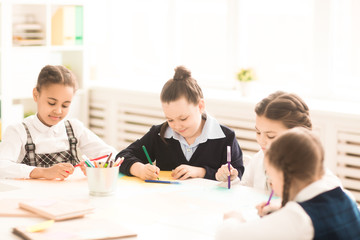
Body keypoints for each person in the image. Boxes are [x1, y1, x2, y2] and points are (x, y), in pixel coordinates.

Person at [215, 127, 360, 240]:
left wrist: (235, 218)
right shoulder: (346, 197)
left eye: (270, 175)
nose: (271, 183)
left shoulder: (297, 218)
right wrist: (281, 208)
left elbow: (226, 235)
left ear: (283, 175)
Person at [117, 66, 244, 180]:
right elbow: (121, 158)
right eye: (170, 119)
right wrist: (140, 169)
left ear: (200, 106)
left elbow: (238, 174)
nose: (176, 126)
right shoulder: (159, 134)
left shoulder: (225, 138)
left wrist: (202, 172)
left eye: (183, 118)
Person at [0, 65, 117, 180]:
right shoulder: (18, 131)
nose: (58, 111)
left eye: (65, 105)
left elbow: (111, 155)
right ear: (36, 95)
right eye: (51, 103)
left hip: (68, 195)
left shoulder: (74, 128)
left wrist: (95, 165)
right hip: (34, 197)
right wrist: (43, 172)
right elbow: (2, 166)